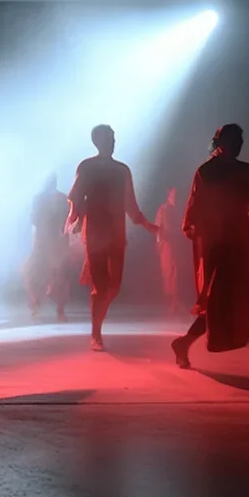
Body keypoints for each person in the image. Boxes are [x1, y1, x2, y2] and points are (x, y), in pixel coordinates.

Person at [171, 125, 249, 384]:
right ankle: (184, 343)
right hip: (219, 246)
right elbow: (194, 207)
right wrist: (193, 227)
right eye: (235, 139)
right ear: (221, 141)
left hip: (243, 243)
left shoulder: (244, 170)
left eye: (242, 139)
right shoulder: (207, 172)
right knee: (219, 305)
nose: (240, 144)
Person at [66, 124, 158, 350]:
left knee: (114, 286)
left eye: (114, 138)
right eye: (109, 138)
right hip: (95, 233)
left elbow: (130, 201)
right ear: (97, 141)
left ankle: (97, 322)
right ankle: (95, 333)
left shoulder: (122, 170)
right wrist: (73, 218)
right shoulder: (87, 167)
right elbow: (75, 197)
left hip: (117, 232)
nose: (113, 142)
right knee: (101, 284)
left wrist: (146, 224)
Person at [24, 173, 72, 321]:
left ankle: (58, 310)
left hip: (54, 241)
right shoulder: (44, 199)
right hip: (47, 241)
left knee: (59, 276)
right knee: (34, 274)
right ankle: (40, 304)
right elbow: (35, 219)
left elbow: (67, 219)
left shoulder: (61, 199)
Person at [154, 187, 182, 314]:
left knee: (176, 271)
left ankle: (175, 301)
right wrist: (159, 243)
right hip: (167, 244)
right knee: (168, 271)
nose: (175, 197)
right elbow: (158, 227)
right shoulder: (163, 209)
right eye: (173, 194)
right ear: (169, 193)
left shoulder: (178, 210)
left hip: (176, 243)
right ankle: (170, 301)